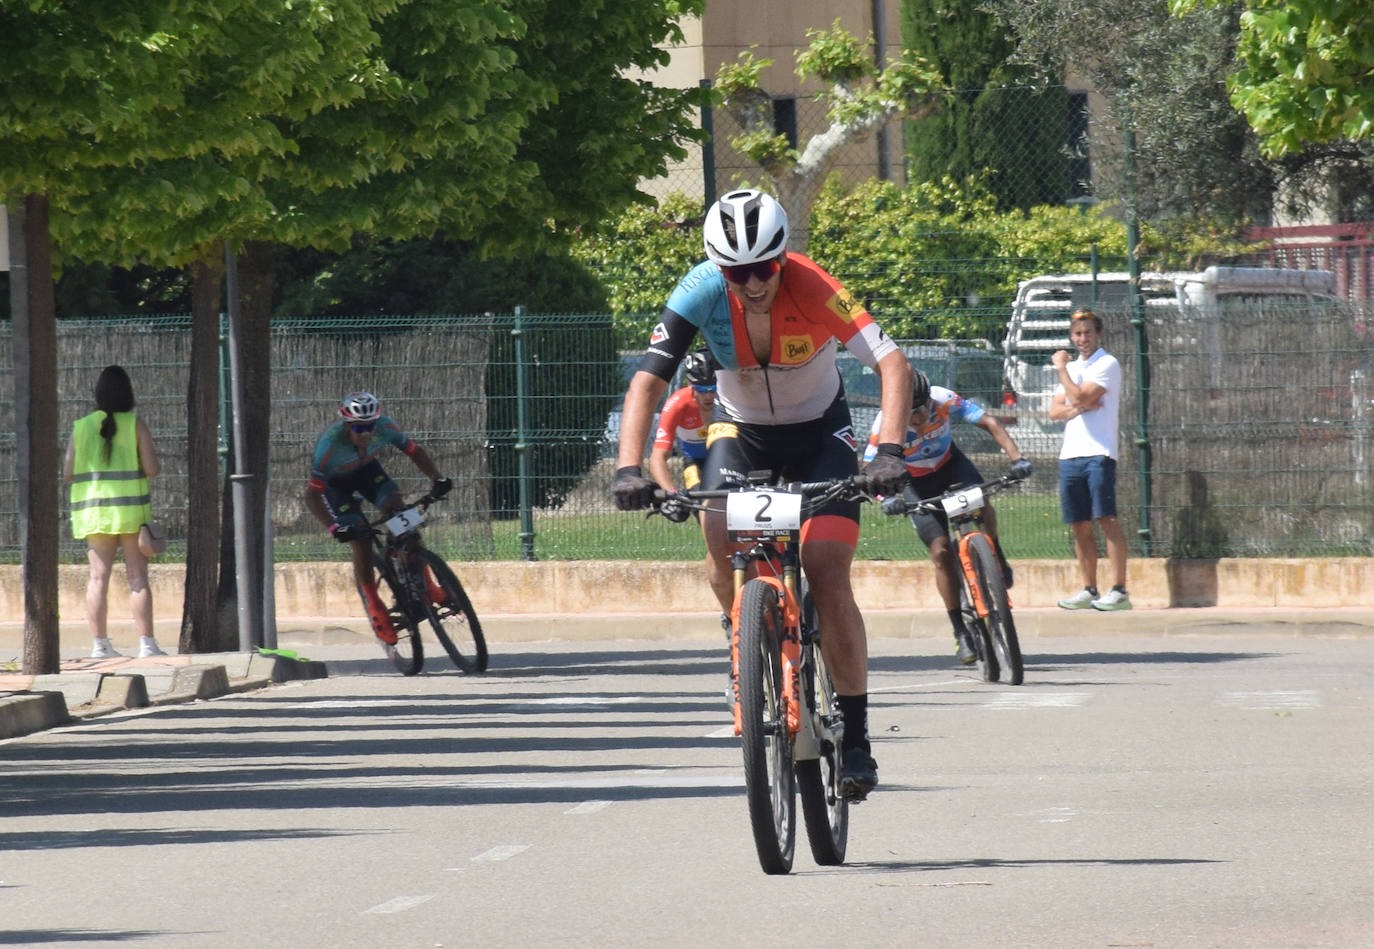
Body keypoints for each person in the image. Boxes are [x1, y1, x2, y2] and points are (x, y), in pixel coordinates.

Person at [610, 188, 913, 800]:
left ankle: (855, 736)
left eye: (763, 269)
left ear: (782, 258)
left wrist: (890, 452)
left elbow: (892, 364)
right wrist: (627, 467)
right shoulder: (698, 289)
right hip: (740, 428)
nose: (752, 284)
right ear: (718, 268)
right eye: (737, 272)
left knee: (828, 571)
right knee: (718, 527)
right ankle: (742, 635)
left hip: (820, 432)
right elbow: (647, 381)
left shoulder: (814, 284)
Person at [865, 369, 1032, 664]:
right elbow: (870, 473)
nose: (919, 416)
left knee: (983, 502)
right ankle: (961, 632)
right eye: (911, 411)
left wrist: (1017, 458)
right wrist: (886, 498)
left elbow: (990, 422)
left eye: (923, 408)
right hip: (915, 483)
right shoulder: (885, 424)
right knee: (941, 551)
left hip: (951, 465)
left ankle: (996, 553)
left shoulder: (942, 399)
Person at [303, 391, 452, 650]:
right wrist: (334, 527)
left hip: (368, 473)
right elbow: (312, 497)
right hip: (337, 488)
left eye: (369, 426)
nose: (365, 433)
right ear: (347, 425)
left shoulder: (385, 427)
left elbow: (415, 452)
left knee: (404, 518)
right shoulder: (328, 447)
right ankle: (375, 605)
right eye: (359, 427)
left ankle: (427, 584)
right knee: (360, 539)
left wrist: (437, 479)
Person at [64, 365, 167, 659]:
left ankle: (100, 646)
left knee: (97, 578)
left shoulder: (81, 427)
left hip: (94, 515)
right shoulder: (135, 425)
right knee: (137, 578)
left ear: (97, 395)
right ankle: (147, 645)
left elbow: (67, 472)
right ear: (128, 393)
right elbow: (152, 469)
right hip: (132, 514)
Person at [1049, 309, 1131, 610]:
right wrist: (1078, 404)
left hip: (1100, 452)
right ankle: (1089, 588)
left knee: (1106, 518)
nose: (1082, 339)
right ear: (1072, 336)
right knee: (1079, 525)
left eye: (1088, 333)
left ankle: (1120, 589)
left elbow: (1082, 397)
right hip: (1070, 455)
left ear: (1098, 334)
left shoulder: (1106, 364)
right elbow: (1055, 410)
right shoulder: (1077, 370)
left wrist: (1062, 371)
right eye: (1078, 334)